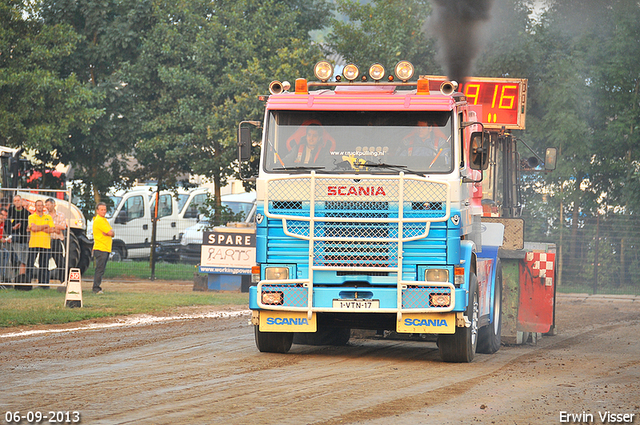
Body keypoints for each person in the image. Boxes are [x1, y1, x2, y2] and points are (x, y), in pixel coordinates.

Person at [27, 200, 54, 287]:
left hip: (45, 244)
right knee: (30, 264)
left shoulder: (48, 217)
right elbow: (33, 228)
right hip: (34, 243)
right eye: (38, 205)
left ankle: (44, 284)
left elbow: (52, 229)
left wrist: (38, 227)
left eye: (41, 205)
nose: (40, 207)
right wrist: (45, 226)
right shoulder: (31, 217)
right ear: (35, 207)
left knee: (44, 265)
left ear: (43, 207)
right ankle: (27, 283)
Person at [92, 202, 114, 294]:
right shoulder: (99, 221)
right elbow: (111, 233)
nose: (104, 211)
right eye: (101, 210)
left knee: (101, 269)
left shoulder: (104, 220)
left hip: (105, 247)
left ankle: (97, 286)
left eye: (105, 209)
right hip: (101, 248)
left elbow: (111, 232)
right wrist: (110, 233)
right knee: (100, 269)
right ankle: (96, 288)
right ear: (97, 211)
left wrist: (110, 232)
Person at [45, 198, 67, 282]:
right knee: (44, 261)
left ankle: (63, 281)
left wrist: (51, 226)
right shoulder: (44, 215)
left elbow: (63, 227)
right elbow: (44, 226)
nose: (47, 206)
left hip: (57, 240)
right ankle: (44, 281)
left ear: (54, 205)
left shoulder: (61, 215)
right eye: (46, 205)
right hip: (47, 240)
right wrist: (55, 228)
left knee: (60, 261)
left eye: (49, 204)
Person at [8, 194, 30, 279]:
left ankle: (21, 279)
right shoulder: (10, 211)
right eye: (15, 201)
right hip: (13, 240)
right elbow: (6, 226)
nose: (17, 202)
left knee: (23, 261)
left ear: (21, 201)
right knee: (14, 260)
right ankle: (11, 279)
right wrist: (13, 228)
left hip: (24, 240)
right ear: (13, 202)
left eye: (18, 200)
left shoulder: (27, 213)